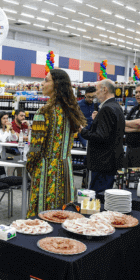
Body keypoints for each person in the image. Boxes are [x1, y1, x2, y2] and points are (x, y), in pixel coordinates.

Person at [26, 70, 87, 216]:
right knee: (64, 212)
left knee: (44, 213)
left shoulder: (44, 112)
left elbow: (35, 147)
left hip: (46, 171)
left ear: (56, 85)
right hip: (66, 168)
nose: (42, 83)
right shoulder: (71, 111)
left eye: (46, 80)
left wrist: (30, 165)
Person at [80, 79, 125, 193]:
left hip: (102, 162)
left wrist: (82, 131)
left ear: (104, 89)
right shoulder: (115, 106)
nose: (95, 94)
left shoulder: (107, 108)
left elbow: (101, 137)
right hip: (110, 161)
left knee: (97, 195)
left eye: (97, 90)